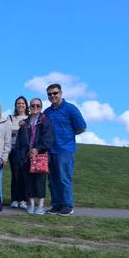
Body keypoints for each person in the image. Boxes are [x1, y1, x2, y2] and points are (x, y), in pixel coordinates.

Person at [44, 84, 86, 216]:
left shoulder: (70, 109)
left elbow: (81, 127)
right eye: (50, 94)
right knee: (52, 180)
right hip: (50, 150)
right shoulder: (47, 112)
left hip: (65, 150)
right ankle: (56, 205)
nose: (52, 96)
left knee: (64, 178)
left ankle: (67, 206)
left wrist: (67, 136)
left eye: (55, 93)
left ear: (61, 92)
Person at [15, 98, 54, 215]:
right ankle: (31, 204)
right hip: (26, 156)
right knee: (28, 180)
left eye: (38, 106)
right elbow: (19, 141)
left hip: (40, 156)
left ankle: (41, 205)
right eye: (33, 106)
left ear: (41, 107)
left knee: (40, 180)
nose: (35, 108)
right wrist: (20, 154)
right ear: (29, 107)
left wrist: (38, 149)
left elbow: (48, 139)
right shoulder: (25, 122)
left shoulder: (45, 121)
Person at [8, 96, 29, 209]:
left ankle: (24, 200)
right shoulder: (11, 118)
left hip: (26, 150)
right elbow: (7, 131)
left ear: (26, 105)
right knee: (15, 174)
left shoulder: (29, 118)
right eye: (18, 103)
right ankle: (15, 199)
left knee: (24, 175)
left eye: (22, 103)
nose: (20, 105)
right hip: (13, 149)